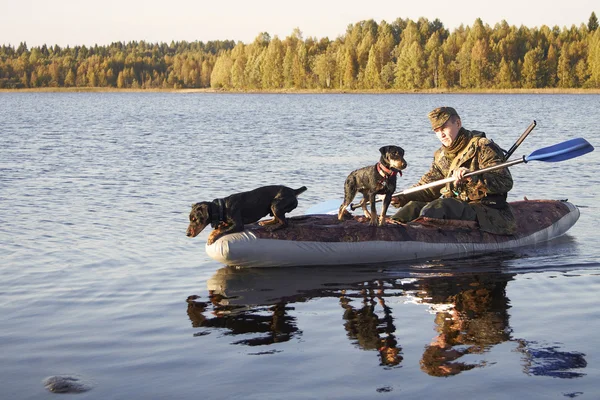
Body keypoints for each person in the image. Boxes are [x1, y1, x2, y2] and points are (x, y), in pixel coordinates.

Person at [391, 107, 516, 235]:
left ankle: (416, 236)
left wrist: (473, 178)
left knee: (439, 206)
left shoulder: (483, 146)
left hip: (485, 210)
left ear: (458, 123)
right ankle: (388, 230)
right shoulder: (441, 156)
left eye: (444, 128)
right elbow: (428, 188)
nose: (441, 135)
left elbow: (505, 182)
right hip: (456, 206)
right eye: (437, 131)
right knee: (413, 207)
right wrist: (399, 197)